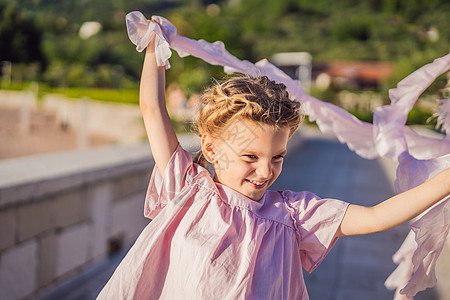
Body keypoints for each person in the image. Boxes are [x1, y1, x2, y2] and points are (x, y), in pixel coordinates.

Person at [97, 36, 450, 300]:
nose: (265, 171)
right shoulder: (187, 187)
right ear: (210, 148)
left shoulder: (293, 214)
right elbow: (152, 109)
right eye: (250, 157)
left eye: (277, 157)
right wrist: (153, 49)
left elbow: (376, 216)